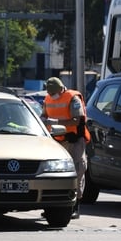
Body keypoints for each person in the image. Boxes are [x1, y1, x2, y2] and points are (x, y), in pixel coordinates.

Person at [41, 77, 90, 219]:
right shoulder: (48, 99)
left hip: (74, 140)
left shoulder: (73, 98)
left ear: (62, 88)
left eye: (54, 92)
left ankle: (75, 207)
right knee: (55, 173)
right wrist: (43, 120)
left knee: (78, 171)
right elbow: (43, 115)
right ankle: (54, 207)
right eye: (50, 93)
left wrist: (56, 121)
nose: (52, 95)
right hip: (56, 141)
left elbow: (78, 119)